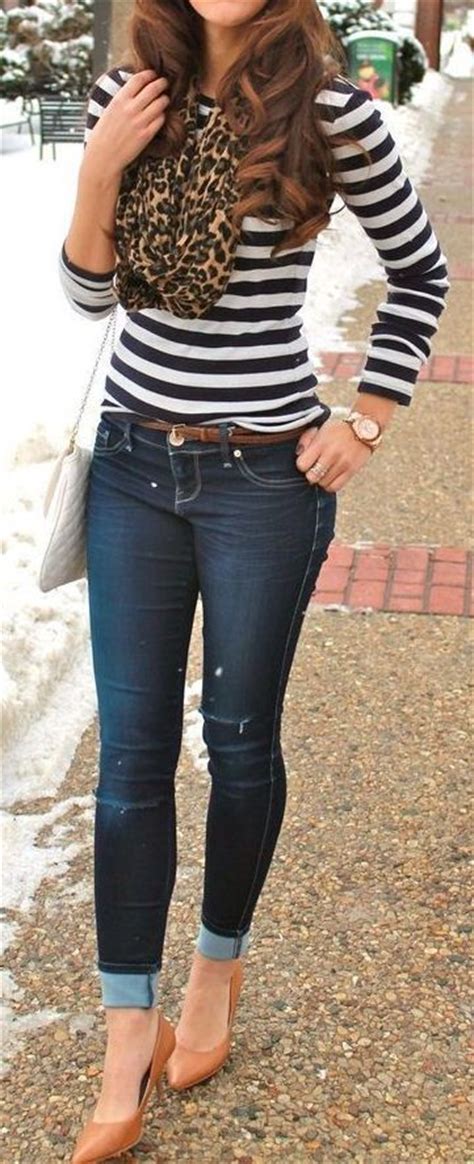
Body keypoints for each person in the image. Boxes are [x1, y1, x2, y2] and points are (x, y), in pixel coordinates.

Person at [59, 1, 449, 1160]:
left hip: (264, 482)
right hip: (132, 467)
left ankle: (215, 973)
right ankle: (126, 1033)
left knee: (237, 740)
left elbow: (419, 273)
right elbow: (88, 297)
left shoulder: (330, 114)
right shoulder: (129, 98)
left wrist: (367, 418)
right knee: (130, 760)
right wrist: (99, 170)